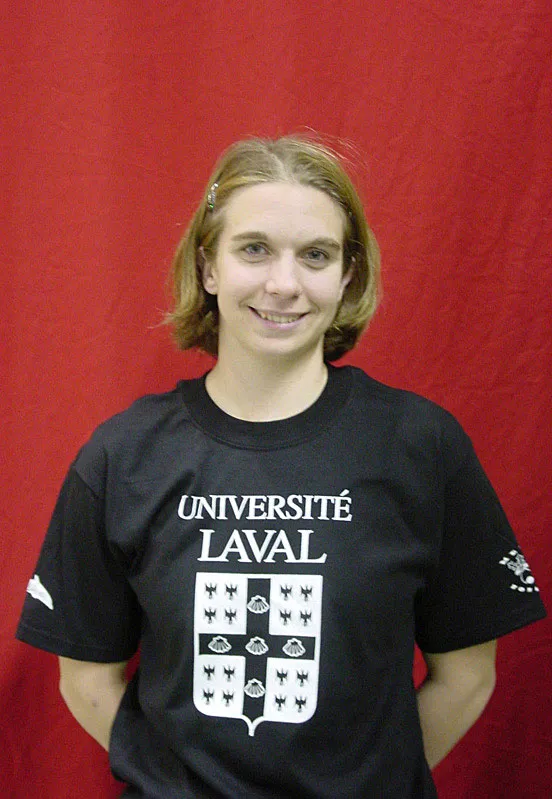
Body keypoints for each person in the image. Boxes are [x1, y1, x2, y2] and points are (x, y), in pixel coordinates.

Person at [17, 136, 546, 798]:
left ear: (347, 275)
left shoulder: (420, 447)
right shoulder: (123, 456)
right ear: (208, 266)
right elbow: (85, 677)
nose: (284, 284)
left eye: (316, 255)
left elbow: (467, 674)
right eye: (254, 249)